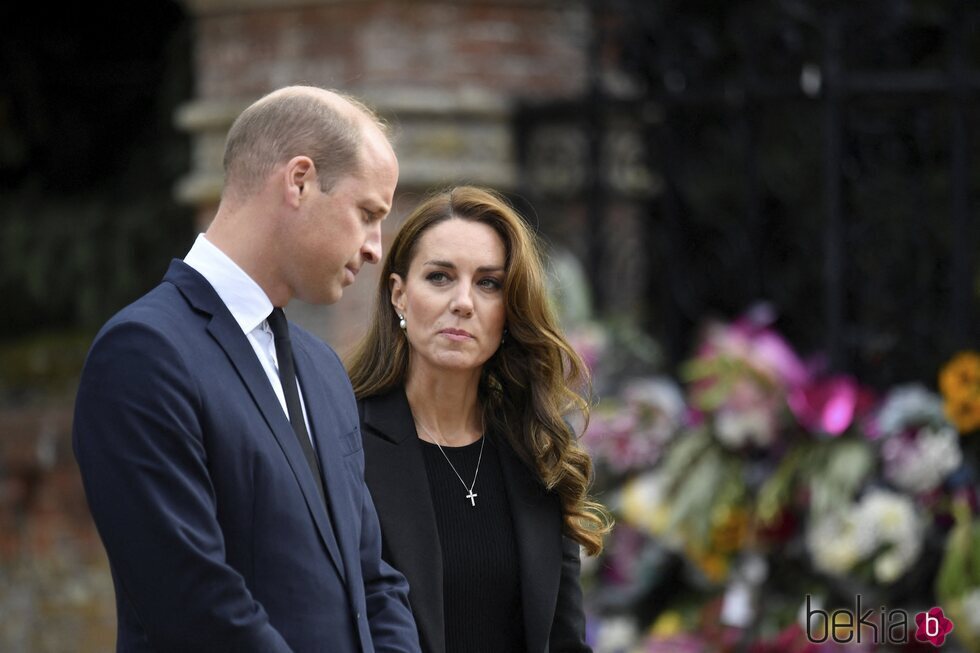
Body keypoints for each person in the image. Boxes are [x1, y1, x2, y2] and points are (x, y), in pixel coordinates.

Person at [73, 85, 421, 652]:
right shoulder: (143, 353)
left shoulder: (323, 369)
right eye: (367, 214)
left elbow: (375, 582)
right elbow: (192, 602)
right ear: (300, 181)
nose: (376, 249)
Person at [346, 186, 612, 653]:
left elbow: (564, 640)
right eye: (440, 277)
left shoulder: (537, 450)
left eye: (488, 283)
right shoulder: (344, 441)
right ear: (399, 295)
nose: (464, 302)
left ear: (508, 312)